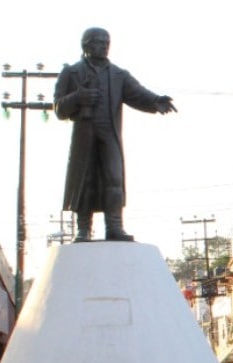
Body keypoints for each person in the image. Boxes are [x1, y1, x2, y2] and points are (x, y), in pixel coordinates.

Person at [53, 27, 176, 243]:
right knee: (85, 178)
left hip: (109, 131)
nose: (104, 46)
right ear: (87, 45)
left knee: (114, 177)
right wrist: (78, 97)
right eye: (99, 42)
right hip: (84, 133)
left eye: (107, 42)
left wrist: (157, 101)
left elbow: (138, 93)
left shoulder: (119, 75)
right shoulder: (71, 73)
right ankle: (83, 229)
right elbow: (59, 109)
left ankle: (114, 227)